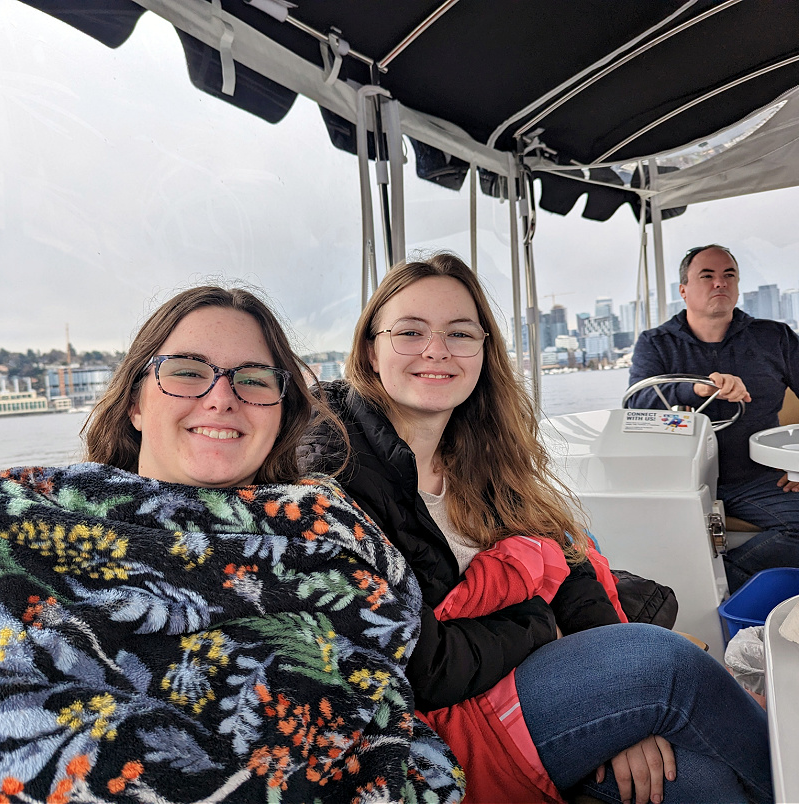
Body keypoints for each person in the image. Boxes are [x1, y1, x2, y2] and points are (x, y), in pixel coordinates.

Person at [0, 286, 465, 804]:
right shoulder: (11, 510)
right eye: (186, 371)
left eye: (254, 380)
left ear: (282, 413)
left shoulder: (330, 534)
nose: (221, 398)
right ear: (137, 403)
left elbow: (380, 678)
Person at [301, 253, 772, 804]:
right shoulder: (333, 476)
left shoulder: (478, 451)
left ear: (483, 351)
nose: (437, 351)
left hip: (520, 682)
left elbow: (567, 560)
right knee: (662, 663)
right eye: (409, 332)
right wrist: (555, 633)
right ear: (370, 350)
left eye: (460, 333)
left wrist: (614, 704)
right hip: (433, 723)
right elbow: (419, 664)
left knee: (699, 784)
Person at [627, 244, 799, 590]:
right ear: (684, 290)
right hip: (681, 479)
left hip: (759, 477)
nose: (719, 283)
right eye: (707, 276)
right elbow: (637, 405)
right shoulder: (655, 344)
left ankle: (716, 587)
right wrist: (700, 389)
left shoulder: (774, 337)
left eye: (728, 275)